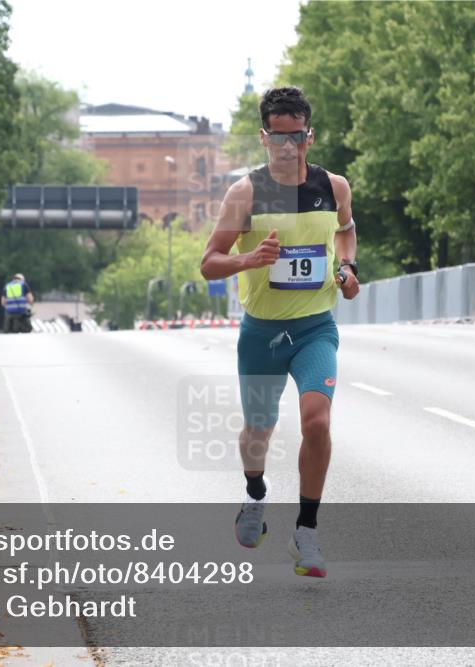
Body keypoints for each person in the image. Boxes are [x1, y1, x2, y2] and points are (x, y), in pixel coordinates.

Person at [200, 87, 360, 578]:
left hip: (315, 328)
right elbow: (209, 263)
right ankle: (255, 494)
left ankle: (306, 532)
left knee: (317, 422)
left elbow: (346, 230)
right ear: (263, 137)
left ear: (309, 136)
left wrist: (347, 268)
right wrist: (250, 259)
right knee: (259, 428)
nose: (287, 147)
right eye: (277, 137)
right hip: (262, 334)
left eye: (295, 137)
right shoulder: (245, 194)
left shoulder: (334, 187)